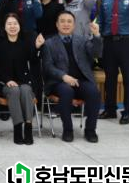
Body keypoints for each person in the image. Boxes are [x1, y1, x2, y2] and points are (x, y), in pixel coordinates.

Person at [42, 11, 102, 143]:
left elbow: (96, 53)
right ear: (57, 24)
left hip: (81, 81)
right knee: (66, 91)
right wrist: (63, 76)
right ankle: (68, 129)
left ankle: (90, 130)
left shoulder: (83, 40)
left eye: (69, 21)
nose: (66, 24)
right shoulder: (49, 43)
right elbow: (47, 66)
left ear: (74, 25)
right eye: (62, 21)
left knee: (94, 92)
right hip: (59, 82)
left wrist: (96, 35)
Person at [0, 13, 41, 145]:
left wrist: (37, 47)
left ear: (19, 26)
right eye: (9, 24)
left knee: (26, 90)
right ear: (4, 27)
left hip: (23, 81)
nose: (12, 26)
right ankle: (18, 128)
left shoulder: (25, 42)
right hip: (3, 83)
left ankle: (28, 127)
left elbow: (33, 61)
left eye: (15, 23)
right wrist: (7, 80)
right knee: (14, 90)